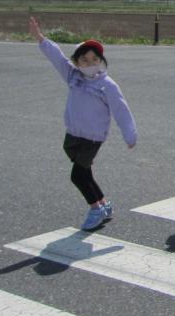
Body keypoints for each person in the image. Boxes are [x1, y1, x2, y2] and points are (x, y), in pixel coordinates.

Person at [30, 17, 137, 231]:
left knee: (77, 175)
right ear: (77, 63)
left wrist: (130, 135)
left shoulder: (107, 85)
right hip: (73, 133)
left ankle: (95, 208)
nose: (90, 64)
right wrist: (41, 39)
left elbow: (121, 110)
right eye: (85, 60)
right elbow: (58, 59)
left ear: (101, 61)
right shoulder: (73, 76)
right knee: (84, 170)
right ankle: (104, 204)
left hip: (93, 136)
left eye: (94, 59)